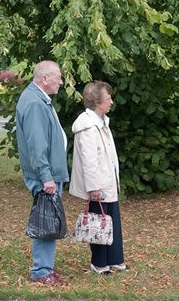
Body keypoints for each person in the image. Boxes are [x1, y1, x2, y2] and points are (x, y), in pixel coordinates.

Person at [15, 60, 69, 286]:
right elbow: (37, 145)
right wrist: (46, 176)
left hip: (47, 173)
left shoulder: (37, 99)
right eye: (58, 77)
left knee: (47, 220)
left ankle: (46, 267)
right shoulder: (35, 103)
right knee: (44, 221)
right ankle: (40, 271)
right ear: (44, 79)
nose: (61, 82)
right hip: (44, 175)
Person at [69, 80, 126, 275]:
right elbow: (89, 160)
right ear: (97, 102)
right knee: (99, 222)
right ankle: (99, 263)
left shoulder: (102, 121)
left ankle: (114, 258)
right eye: (108, 99)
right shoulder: (87, 126)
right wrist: (93, 188)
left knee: (112, 220)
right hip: (98, 184)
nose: (111, 102)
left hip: (108, 181)